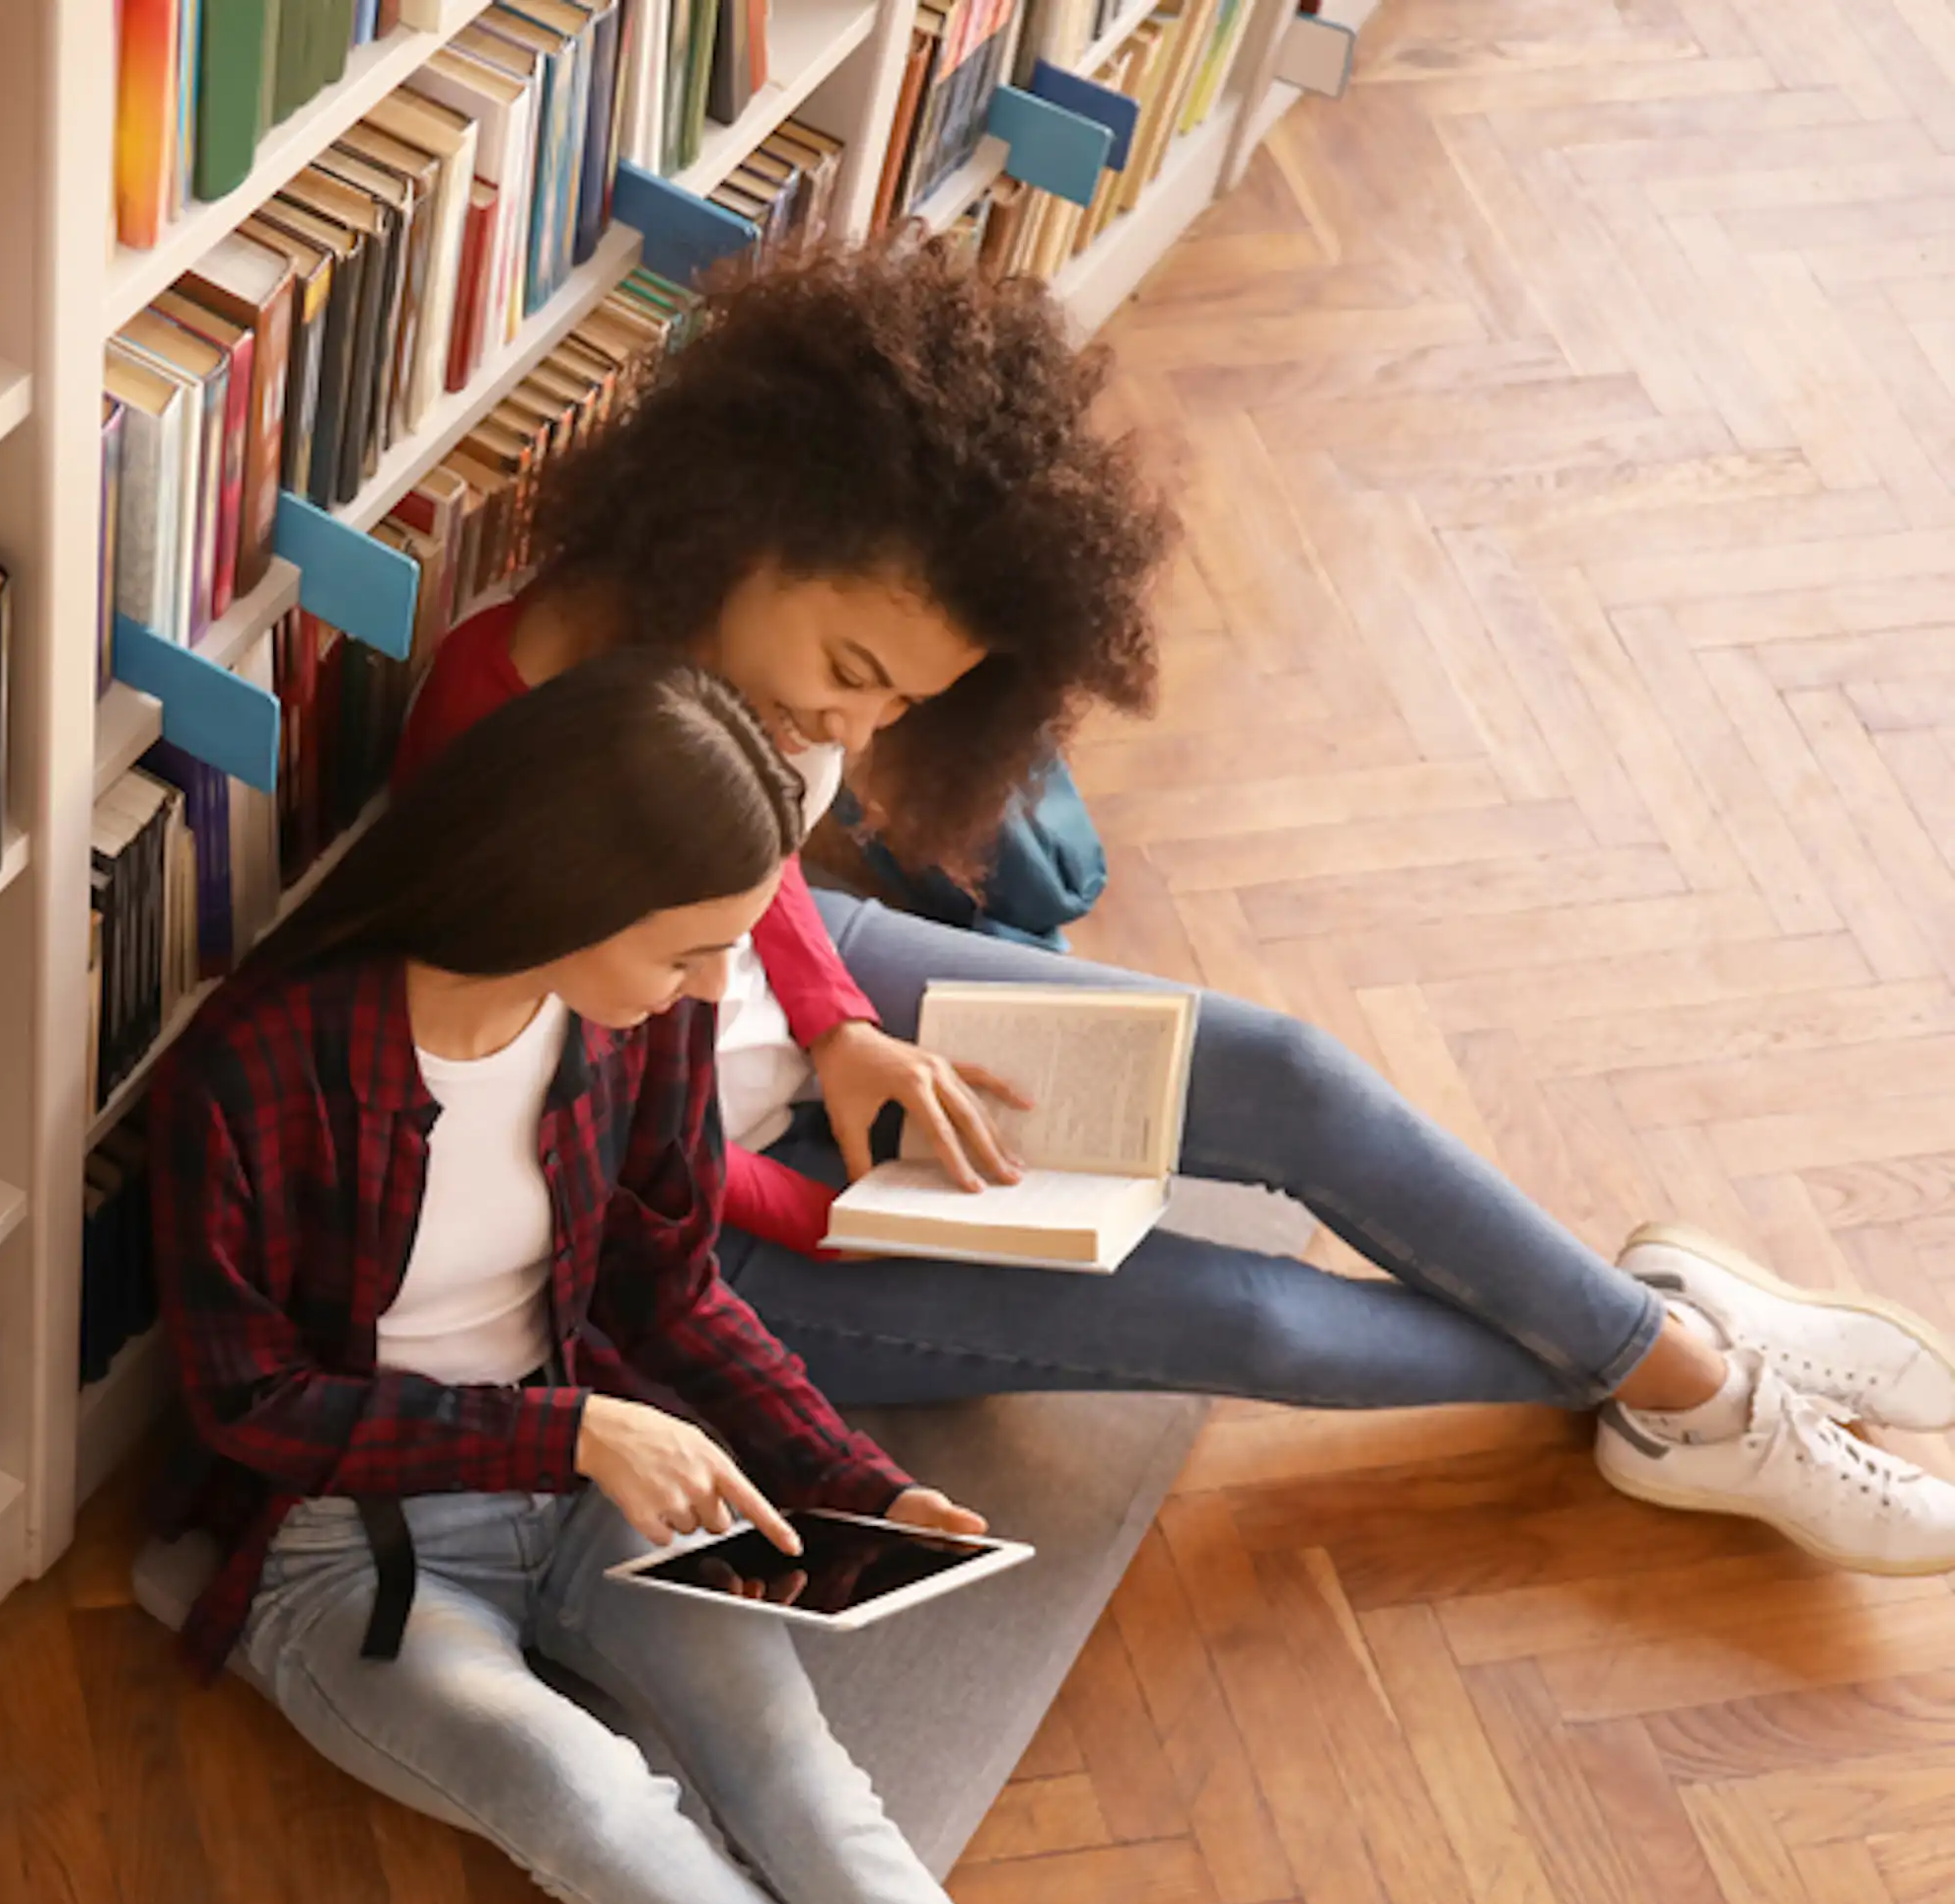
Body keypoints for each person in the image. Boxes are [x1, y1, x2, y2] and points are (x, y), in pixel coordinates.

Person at [157, 653, 1279, 1904]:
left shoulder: (636, 1030)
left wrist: (856, 1482)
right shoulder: (268, 1065)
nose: (711, 996)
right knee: (585, 1803)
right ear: (565, 889)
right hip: (350, 1549)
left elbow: (673, 1294)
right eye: (689, 950)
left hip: (605, 1461)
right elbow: (245, 1404)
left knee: (811, 1803)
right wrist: (565, 1440)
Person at [397, 239, 1955, 1577]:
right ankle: (1682, 1377)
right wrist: (837, 1213)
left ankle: (1678, 1370)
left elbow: (762, 875)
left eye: (901, 703)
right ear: (731, 536)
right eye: (851, 678)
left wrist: (846, 1027)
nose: (848, 738)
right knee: (1252, 1327)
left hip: (786, 1043)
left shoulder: (768, 683)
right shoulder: (510, 733)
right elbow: (571, 1135)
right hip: (686, 1219)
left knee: (1283, 1074)